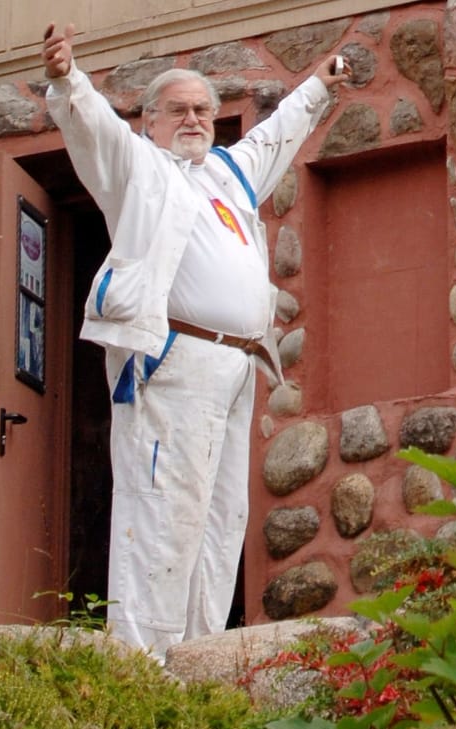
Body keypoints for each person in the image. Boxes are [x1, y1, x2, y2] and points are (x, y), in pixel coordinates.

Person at [41, 23, 343, 658]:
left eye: (203, 109)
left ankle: (198, 660)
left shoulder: (231, 173)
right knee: (162, 515)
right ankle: (143, 667)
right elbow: (92, 128)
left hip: (235, 367)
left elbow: (277, 134)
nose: (193, 119)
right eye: (177, 109)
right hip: (171, 359)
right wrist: (70, 80)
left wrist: (318, 85)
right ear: (149, 121)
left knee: (219, 516)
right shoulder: (138, 168)